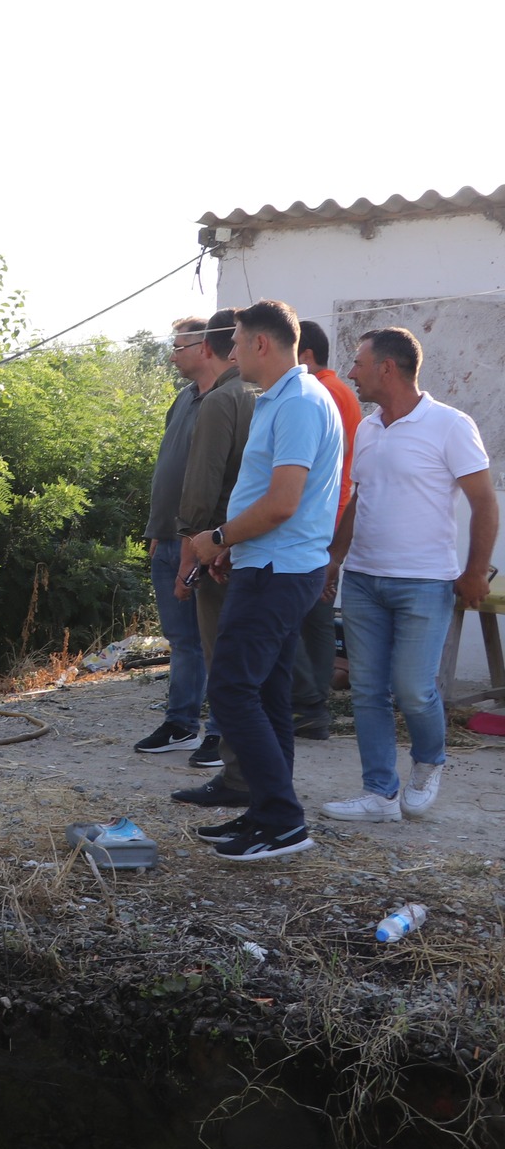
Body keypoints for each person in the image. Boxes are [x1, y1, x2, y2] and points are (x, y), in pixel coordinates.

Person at [318, 327, 497, 823]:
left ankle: (429, 761)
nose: (351, 372)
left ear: (387, 368)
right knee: (367, 690)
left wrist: (475, 572)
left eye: (358, 363)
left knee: (414, 689)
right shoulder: (368, 428)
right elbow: (361, 497)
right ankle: (379, 793)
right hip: (364, 581)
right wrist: (335, 557)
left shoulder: (450, 425)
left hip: (425, 583)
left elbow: (484, 503)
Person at [187, 299, 344, 861]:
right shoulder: (282, 399)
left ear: (260, 343)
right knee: (269, 694)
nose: (229, 354)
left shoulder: (299, 403)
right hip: (269, 563)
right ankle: (267, 812)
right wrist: (237, 546)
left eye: (235, 342)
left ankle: (282, 820)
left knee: (231, 688)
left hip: (279, 569)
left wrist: (219, 537)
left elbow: (282, 503)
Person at [170, 309, 260, 803]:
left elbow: (201, 488)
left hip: (219, 551)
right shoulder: (266, 397)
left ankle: (234, 775)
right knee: (249, 668)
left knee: (221, 665)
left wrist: (191, 555)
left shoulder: (223, 400)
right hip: (255, 546)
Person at [134, 317, 223, 756]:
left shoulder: (229, 401)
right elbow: (169, 468)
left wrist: (195, 541)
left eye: (179, 346)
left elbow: (214, 481)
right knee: (182, 640)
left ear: (205, 347)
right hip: (168, 539)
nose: (172, 356)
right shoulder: (184, 399)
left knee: (216, 641)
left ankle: (221, 733)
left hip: (205, 545)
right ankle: (182, 724)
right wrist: (159, 530)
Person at [290, 320, 362, 741]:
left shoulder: (322, 392)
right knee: (313, 617)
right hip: (329, 517)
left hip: (320, 519)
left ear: (306, 355)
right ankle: (312, 705)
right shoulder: (335, 390)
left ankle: (308, 704)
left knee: (295, 617)